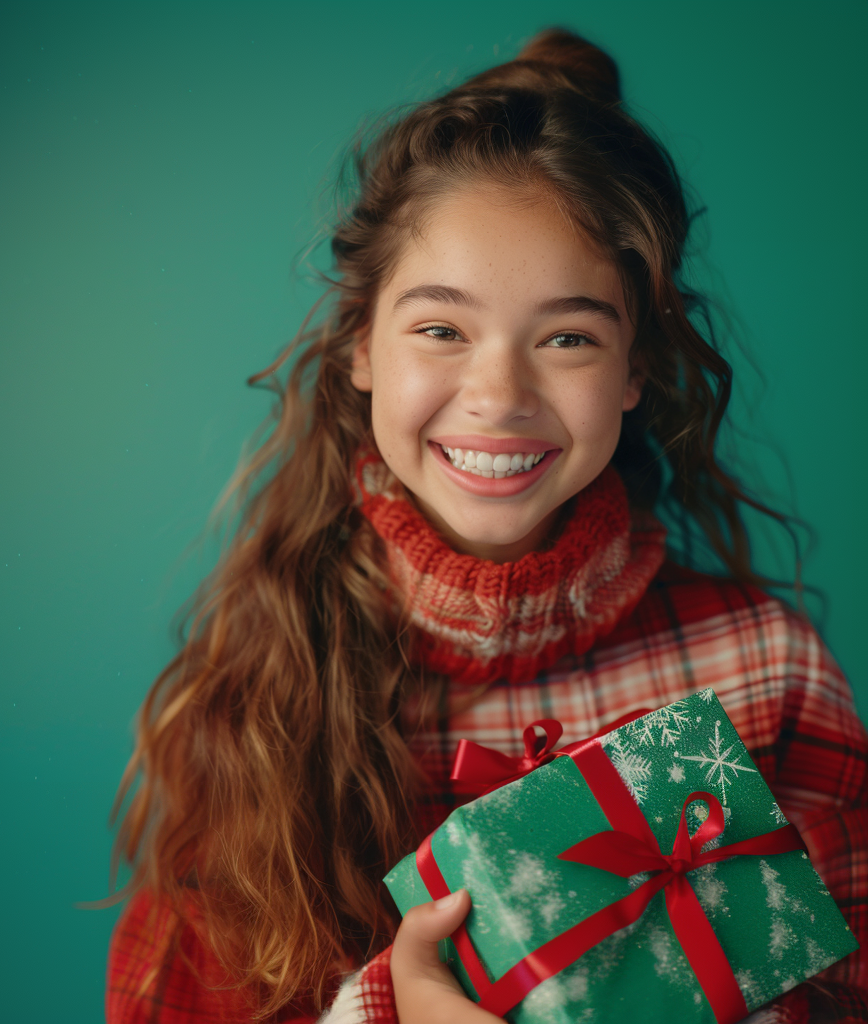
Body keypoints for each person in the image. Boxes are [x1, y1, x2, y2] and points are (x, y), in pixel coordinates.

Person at [104, 27, 868, 1024]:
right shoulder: (255, 703)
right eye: (440, 329)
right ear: (361, 347)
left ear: (635, 367)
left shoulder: (766, 673)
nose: (499, 394)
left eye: (567, 336)